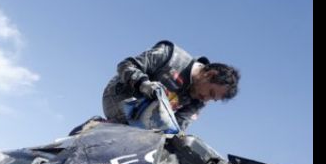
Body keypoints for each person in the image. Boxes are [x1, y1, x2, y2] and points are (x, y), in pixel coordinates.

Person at [102, 40, 240, 132]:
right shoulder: (171, 55)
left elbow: (179, 126)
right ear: (209, 75)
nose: (206, 99)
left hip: (144, 123)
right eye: (211, 93)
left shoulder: (199, 101)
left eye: (212, 99)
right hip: (120, 97)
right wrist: (143, 84)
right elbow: (126, 65)